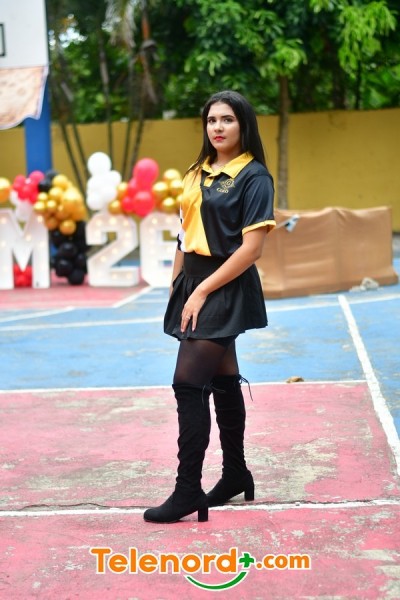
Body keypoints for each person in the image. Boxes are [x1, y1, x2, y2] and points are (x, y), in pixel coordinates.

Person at [143, 90, 275, 524]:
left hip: (225, 283)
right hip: (194, 280)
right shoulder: (196, 171)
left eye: (227, 119)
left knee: (187, 383)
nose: (218, 127)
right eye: (212, 120)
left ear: (244, 125)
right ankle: (236, 473)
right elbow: (184, 235)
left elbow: (252, 249)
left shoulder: (254, 177)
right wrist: (177, 286)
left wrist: (201, 292)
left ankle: (187, 490)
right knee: (222, 378)